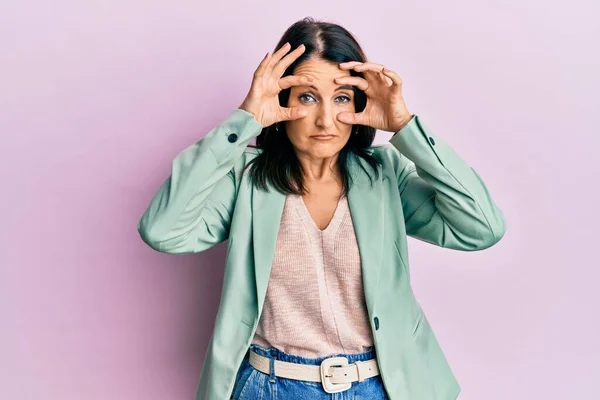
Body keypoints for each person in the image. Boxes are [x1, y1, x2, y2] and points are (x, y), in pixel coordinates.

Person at [137, 17, 506, 400]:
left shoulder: (384, 176)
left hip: (381, 387)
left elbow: (481, 227)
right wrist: (244, 120)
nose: (326, 119)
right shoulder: (244, 179)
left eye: (342, 97)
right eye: (308, 97)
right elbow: (164, 230)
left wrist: (405, 127)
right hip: (271, 387)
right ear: (282, 102)